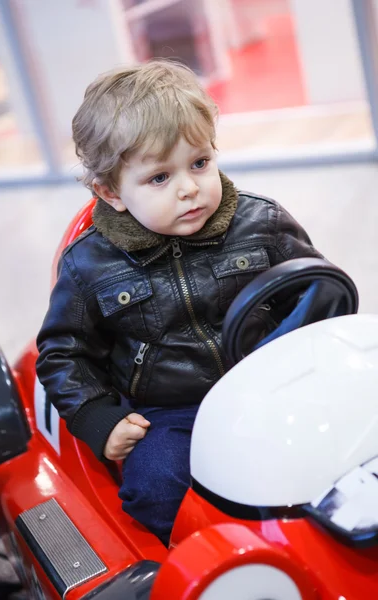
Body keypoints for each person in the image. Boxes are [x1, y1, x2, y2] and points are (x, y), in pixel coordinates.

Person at [36, 59, 323, 546]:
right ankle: (214, 559)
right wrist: (97, 417)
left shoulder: (265, 224)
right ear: (111, 192)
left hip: (272, 389)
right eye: (159, 178)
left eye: (199, 163)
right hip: (172, 413)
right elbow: (63, 353)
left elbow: (318, 294)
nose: (190, 188)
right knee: (154, 488)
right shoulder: (89, 266)